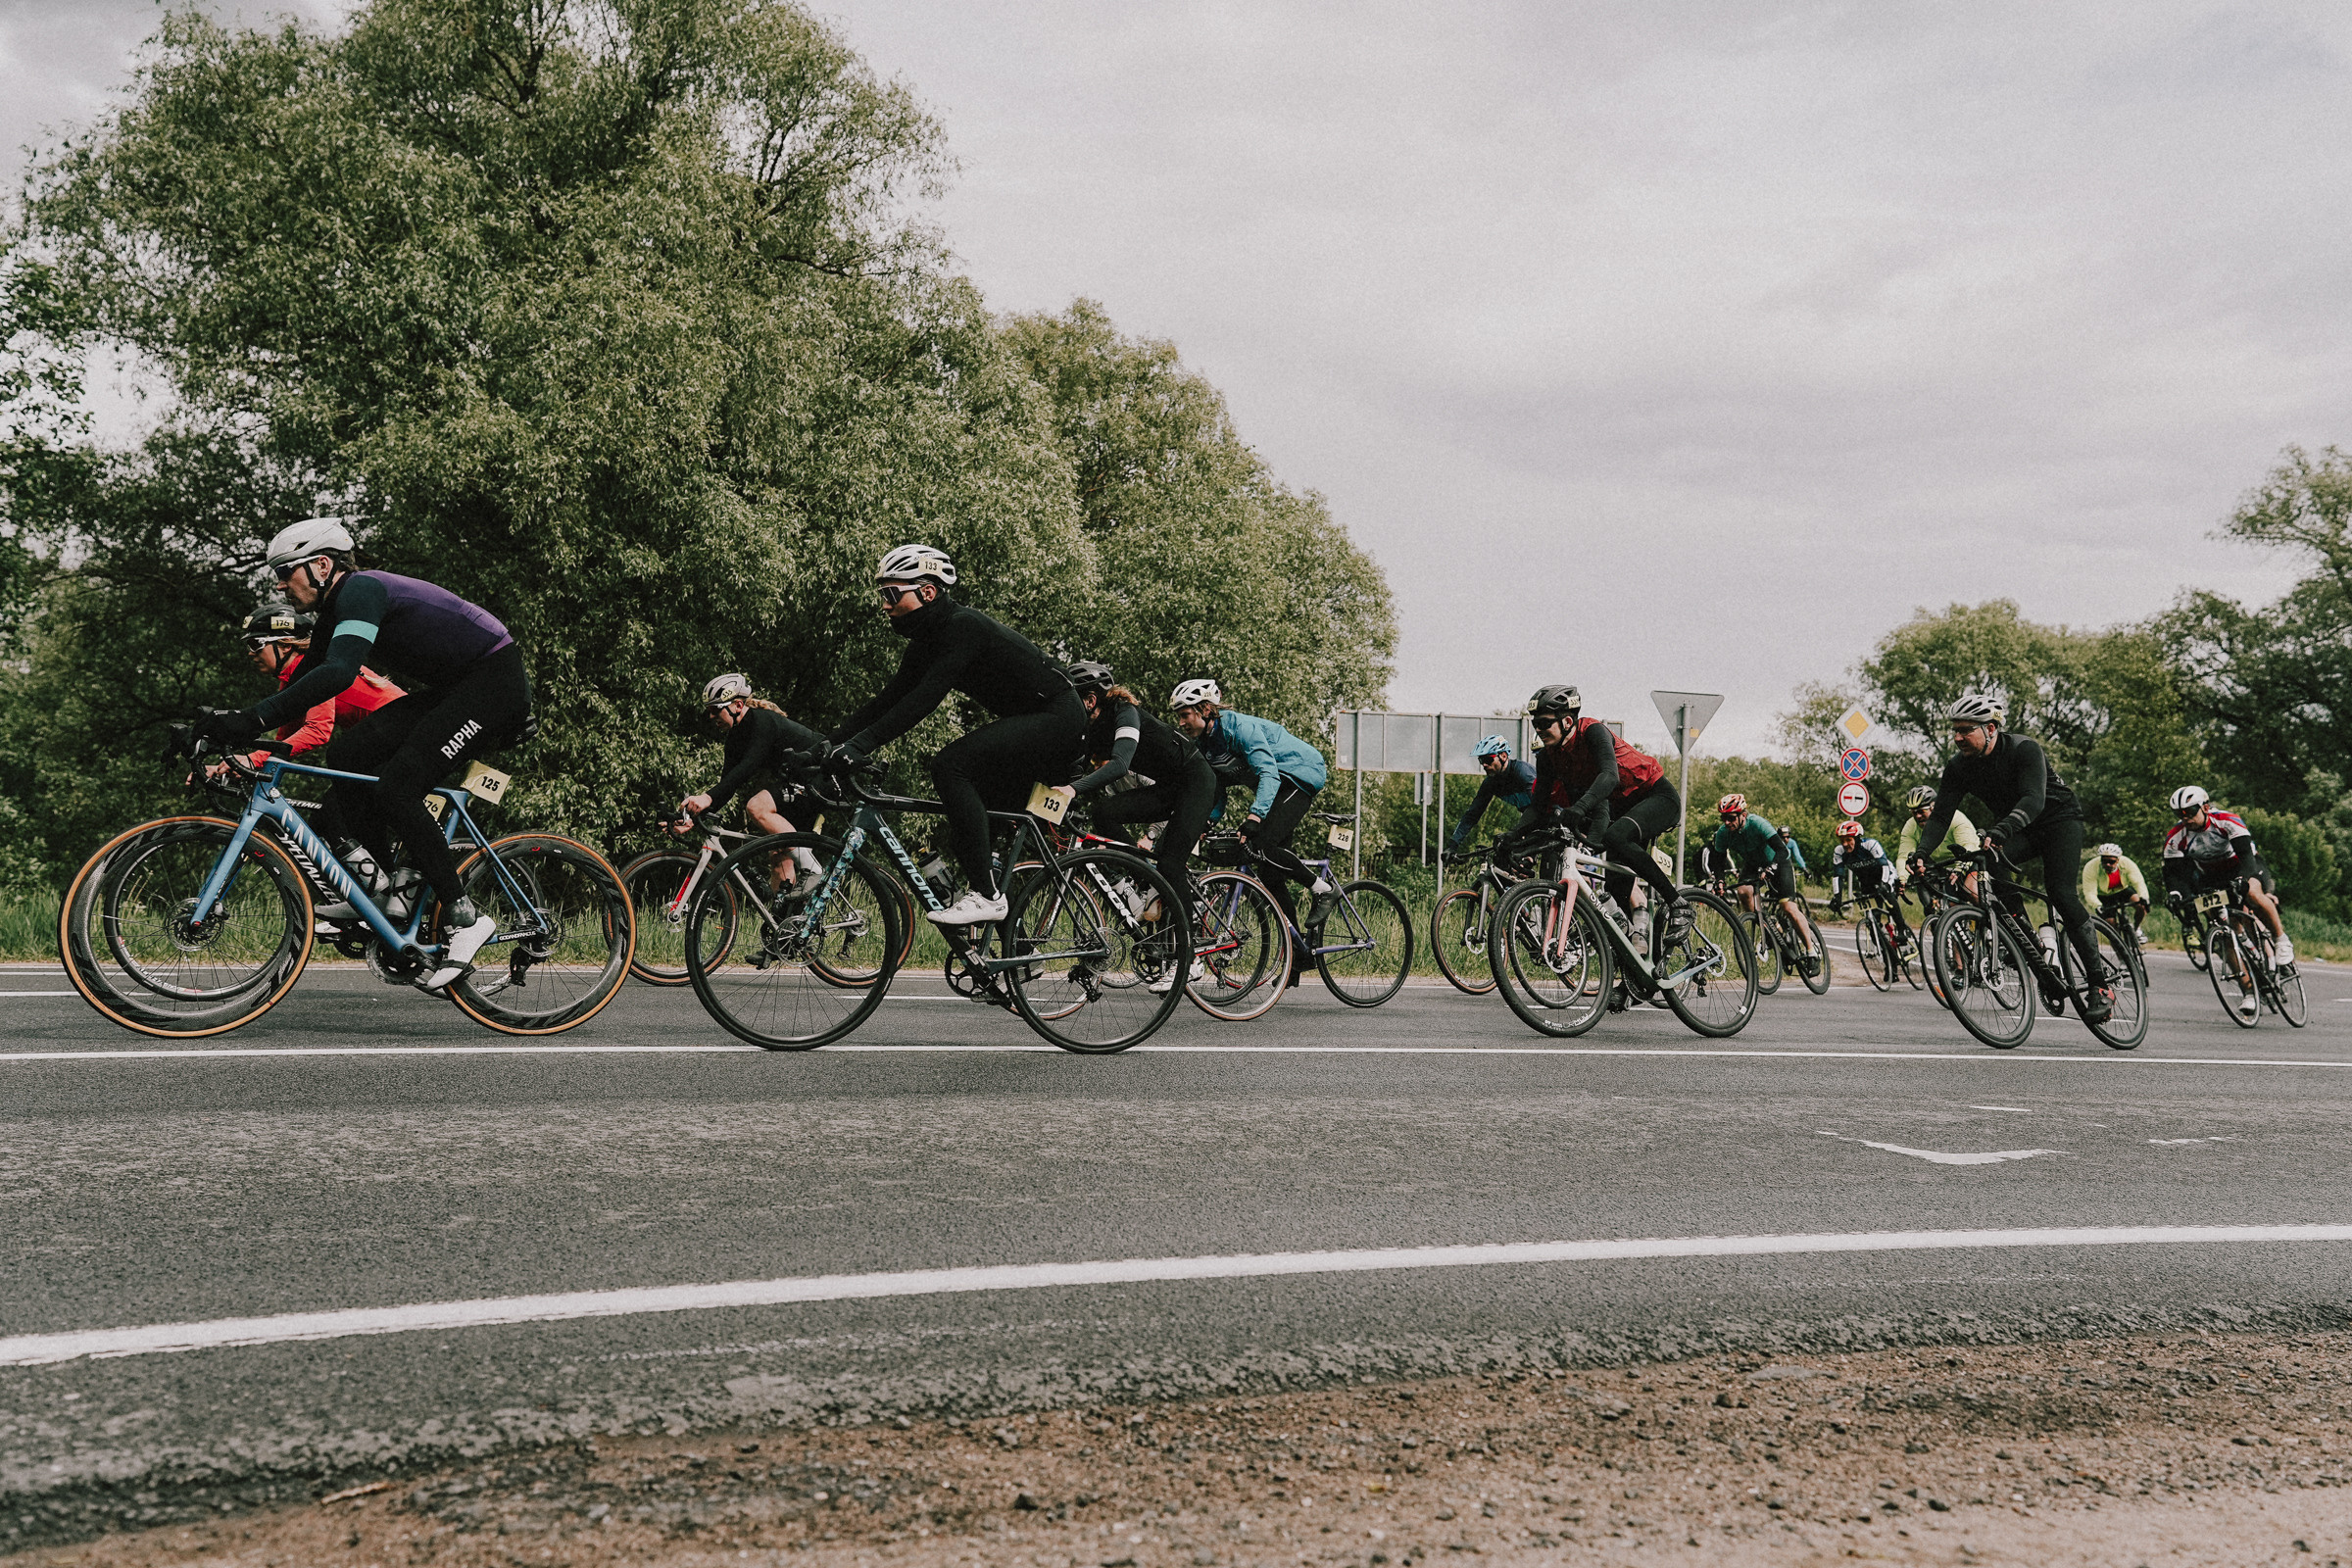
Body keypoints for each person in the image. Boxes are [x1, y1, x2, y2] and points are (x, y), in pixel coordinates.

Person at [191, 517, 527, 991]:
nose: (280, 584)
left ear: (321, 566)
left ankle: (464, 916)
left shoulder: (361, 590)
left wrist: (247, 722)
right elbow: (308, 679)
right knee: (349, 756)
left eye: (286, 572)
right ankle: (382, 894)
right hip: (457, 687)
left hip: (493, 685)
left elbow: (339, 674)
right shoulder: (336, 608)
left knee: (399, 785)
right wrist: (228, 724)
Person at [826, 545, 1085, 927]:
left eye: (891, 594)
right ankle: (1001, 940)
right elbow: (888, 700)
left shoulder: (964, 627)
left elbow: (924, 701)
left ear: (927, 592)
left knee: (950, 765)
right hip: (1034, 722)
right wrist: (828, 743)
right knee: (968, 821)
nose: (884, 605)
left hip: (1059, 719)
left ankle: (987, 895)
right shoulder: (926, 641)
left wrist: (861, 746)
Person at [1907, 695, 2109, 1023]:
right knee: (1992, 866)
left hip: (2058, 820)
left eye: (1964, 730)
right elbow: (1940, 817)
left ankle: (2100, 985)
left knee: (2060, 893)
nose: (1957, 737)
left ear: (1990, 728)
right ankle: (2032, 948)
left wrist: (2002, 829)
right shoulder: (1959, 767)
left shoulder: (2024, 749)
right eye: (1954, 730)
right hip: (2016, 827)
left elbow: (2033, 797)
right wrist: (1921, 853)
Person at [1049, 661, 1219, 994]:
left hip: (1196, 781)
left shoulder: (1124, 711)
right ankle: (1142, 878)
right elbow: (1067, 768)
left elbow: (1121, 763)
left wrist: (1073, 789)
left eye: (1073, 699)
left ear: (1091, 700)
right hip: (1168, 787)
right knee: (1103, 812)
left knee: (1170, 864)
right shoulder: (1089, 729)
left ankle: (1191, 957)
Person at [1509, 685, 1691, 944]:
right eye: (1534, 724)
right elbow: (1538, 807)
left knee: (1617, 836)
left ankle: (1678, 903)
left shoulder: (1593, 732)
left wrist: (1580, 808)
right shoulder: (1549, 756)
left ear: (1567, 721)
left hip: (1656, 796)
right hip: (1624, 811)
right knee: (1614, 907)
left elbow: (1609, 776)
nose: (1538, 729)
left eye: (1544, 723)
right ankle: (1635, 978)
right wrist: (1513, 836)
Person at [1169, 677, 1333, 947]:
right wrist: (1207, 821)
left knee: (1262, 845)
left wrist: (1254, 817)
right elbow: (1216, 789)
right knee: (1270, 872)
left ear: (1206, 709)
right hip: (1275, 785)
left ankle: (1323, 890)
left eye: (1185, 715)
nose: (1181, 723)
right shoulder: (1204, 745)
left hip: (1299, 774)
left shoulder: (1240, 728)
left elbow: (1269, 772)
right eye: (1179, 717)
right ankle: (1298, 951)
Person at [678, 673, 826, 900]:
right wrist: (692, 816)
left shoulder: (762, 722)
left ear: (738, 705)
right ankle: (784, 926)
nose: (711, 715)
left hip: (822, 777)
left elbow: (747, 768)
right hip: (798, 783)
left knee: (757, 806)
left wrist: (706, 797)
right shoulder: (735, 738)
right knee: (778, 855)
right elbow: (727, 786)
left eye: (716, 709)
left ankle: (814, 870)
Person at [2162, 785, 2289, 1020]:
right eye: (2178, 813)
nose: (2185, 817)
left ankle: (2281, 939)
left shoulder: (2227, 821)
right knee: (2222, 932)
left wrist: (2242, 879)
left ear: (2206, 807)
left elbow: (2247, 858)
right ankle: (2249, 991)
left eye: (2189, 810)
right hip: (2212, 876)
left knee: (2252, 893)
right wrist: (2176, 894)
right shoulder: (2176, 837)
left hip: (2243, 865)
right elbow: (2174, 874)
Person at [231, 606, 404, 772]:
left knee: (341, 761)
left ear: (285, 645)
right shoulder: (293, 678)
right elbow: (284, 740)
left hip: (403, 731)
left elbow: (317, 731)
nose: (251, 653)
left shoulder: (315, 669)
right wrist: (237, 764)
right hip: (385, 738)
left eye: (256, 644)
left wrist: (255, 759)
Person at [1710, 793, 1820, 974]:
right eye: (1724, 818)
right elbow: (1718, 860)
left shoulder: (1758, 824)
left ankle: (1811, 952)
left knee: (1788, 907)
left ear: (1743, 815)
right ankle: (1772, 930)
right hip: (1753, 865)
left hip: (1778, 861)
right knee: (1743, 892)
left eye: (1730, 818)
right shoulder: (1723, 833)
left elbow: (1782, 849)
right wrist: (1719, 881)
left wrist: (1771, 869)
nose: (1727, 823)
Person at [1445, 735, 1537, 856]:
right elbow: (1472, 814)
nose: (1484, 765)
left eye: (1488, 760)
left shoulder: (1523, 772)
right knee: (1506, 860)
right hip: (1529, 821)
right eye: (1481, 761)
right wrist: (1452, 846)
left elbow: (1539, 806)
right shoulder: (1491, 782)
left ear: (1503, 756)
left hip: (1549, 816)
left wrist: (1515, 833)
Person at [1828, 818, 1910, 948]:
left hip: (1885, 874)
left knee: (1888, 897)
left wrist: (1884, 884)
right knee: (1873, 922)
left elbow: (1884, 866)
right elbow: (1838, 876)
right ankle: (1888, 954)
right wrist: (1837, 897)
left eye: (1849, 840)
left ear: (1857, 838)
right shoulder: (1839, 851)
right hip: (1866, 882)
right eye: (1842, 840)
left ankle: (1901, 928)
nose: (1845, 844)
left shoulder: (1870, 844)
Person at [1892, 784, 1980, 906]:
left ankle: (1991, 920)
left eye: (1921, 811)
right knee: (1949, 905)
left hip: (1969, 858)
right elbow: (1904, 856)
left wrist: (1960, 868)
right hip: (1944, 865)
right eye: (1913, 812)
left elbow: (1968, 845)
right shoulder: (1910, 826)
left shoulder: (1955, 818)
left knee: (1971, 891)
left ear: (1933, 807)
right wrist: (1902, 879)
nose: (1917, 816)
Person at [2081, 841, 2150, 945]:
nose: (2107, 864)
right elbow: (2089, 891)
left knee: (2140, 905)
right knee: (2111, 926)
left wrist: (2144, 897)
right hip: (2104, 896)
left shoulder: (2127, 863)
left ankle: (2136, 929)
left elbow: (2138, 882)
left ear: (2118, 860)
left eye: (2111, 861)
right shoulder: (2091, 867)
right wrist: (2097, 905)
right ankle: (2121, 955)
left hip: (2122, 891)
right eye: (2104, 861)